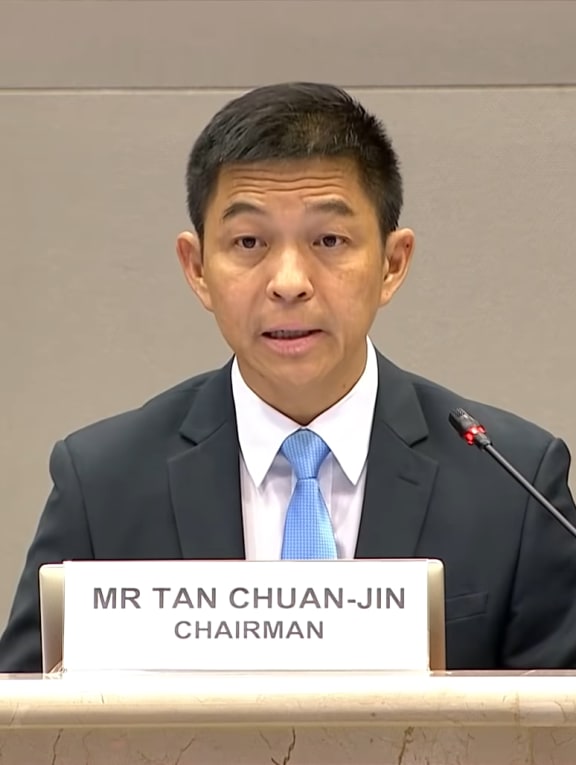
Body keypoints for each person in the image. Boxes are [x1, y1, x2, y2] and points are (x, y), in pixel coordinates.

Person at [1, 82, 576, 673]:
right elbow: (20, 724)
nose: (289, 281)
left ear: (392, 264)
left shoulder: (511, 482)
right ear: (197, 268)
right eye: (249, 242)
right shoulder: (104, 483)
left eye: (329, 240)